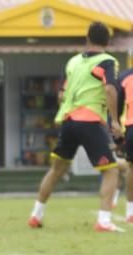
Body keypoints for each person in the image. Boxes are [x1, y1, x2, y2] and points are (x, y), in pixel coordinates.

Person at [28, 21, 123, 232]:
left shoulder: (73, 62)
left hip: (69, 121)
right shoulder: (108, 61)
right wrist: (115, 120)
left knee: (56, 170)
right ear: (107, 41)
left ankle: (36, 215)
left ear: (87, 38)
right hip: (89, 121)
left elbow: (62, 94)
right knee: (111, 171)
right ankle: (104, 220)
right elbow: (109, 90)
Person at [116, 66, 133, 221]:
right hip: (130, 126)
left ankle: (130, 211)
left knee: (131, 168)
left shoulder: (124, 76)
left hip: (130, 127)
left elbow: (117, 107)